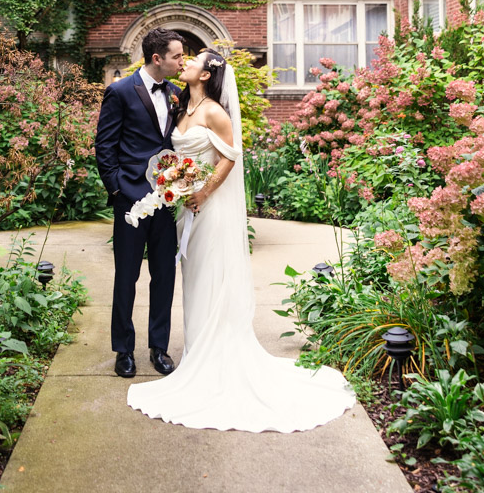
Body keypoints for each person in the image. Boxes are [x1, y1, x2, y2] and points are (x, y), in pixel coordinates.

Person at [127, 49, 356, 432]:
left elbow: (229, 158)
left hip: (209, 210)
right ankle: (199, 350)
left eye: (194, 61)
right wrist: (176, 182)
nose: (186, 64)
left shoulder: (215, 111)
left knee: (214, 279)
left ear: (206, 75)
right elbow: (179, 155)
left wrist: (204, 192)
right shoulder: (182, 107)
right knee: (196, 281)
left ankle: (216, 359)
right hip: (187, 212)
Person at [95, 27, 185, 379]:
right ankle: (123, 350)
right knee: (126, 277)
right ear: (157, 58)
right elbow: (105, 146)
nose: (182, 61)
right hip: (130, 199)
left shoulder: (178, 94)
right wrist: (118, 190)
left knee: (164, 275)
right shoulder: (119, 91)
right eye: (177, 55)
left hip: (167, 201)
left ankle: (159, 348)